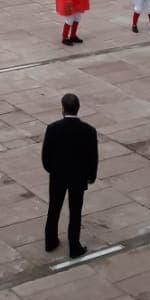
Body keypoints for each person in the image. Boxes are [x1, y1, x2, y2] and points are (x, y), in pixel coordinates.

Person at [42, 92, 98, 258]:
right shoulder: (89, 131)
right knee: (75, 211)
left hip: (58, 176)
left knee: (54, 208)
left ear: (63, 109)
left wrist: (52, 171)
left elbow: (46, 156)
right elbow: (92, 157)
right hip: (77, 177)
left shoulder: (53, 129)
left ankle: (50, 242)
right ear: (78, 108)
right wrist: (91, 176)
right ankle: (74, 246)